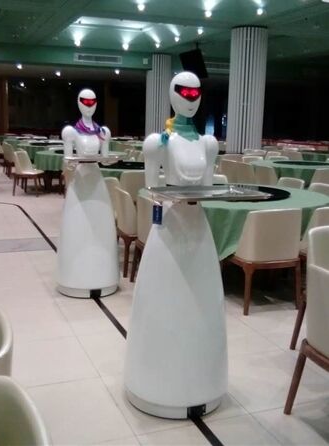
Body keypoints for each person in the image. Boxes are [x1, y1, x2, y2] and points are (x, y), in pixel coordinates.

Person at [124, 72, 227, 419]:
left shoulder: (208, 144)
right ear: (172, 94)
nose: (190, 98)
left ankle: (203, 382)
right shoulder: (158, 142)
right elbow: (152, 188)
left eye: (196, 93)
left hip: (198, 231)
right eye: (184, 92)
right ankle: (156, 383)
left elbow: (207, 189)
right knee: (163, 304)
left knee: (202, 305)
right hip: (168, 229)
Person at [57, 89, 119, 298]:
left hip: (96, 180)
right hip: (80, 180)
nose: (89, 105)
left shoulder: (102, 131)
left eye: (92, 101)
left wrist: (108, 158)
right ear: (78, 103)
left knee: (102, 228)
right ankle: (73, 279)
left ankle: (104, 277)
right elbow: (68, 161)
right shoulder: (71, 132)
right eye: (85, 101)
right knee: (77, 228)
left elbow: (105, 157)